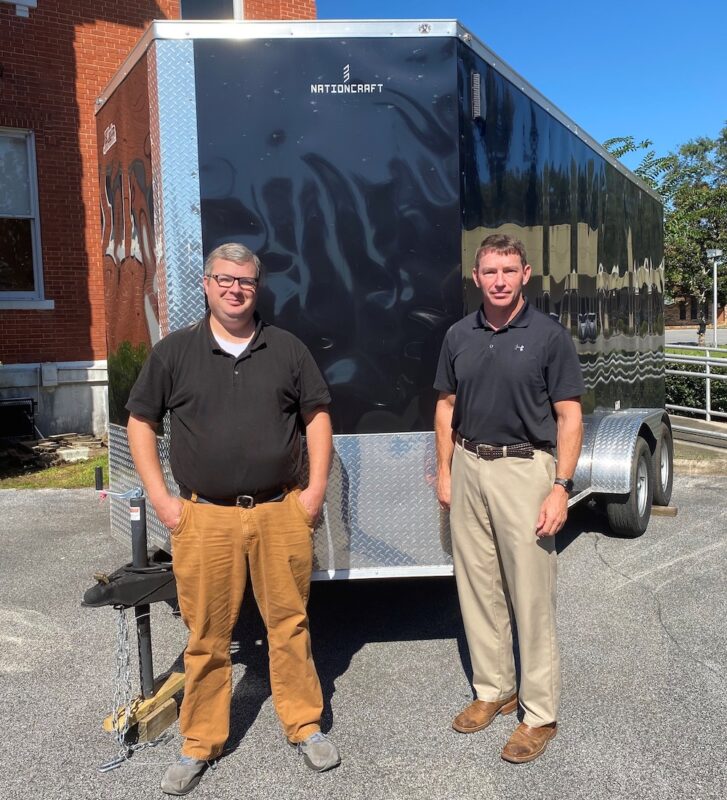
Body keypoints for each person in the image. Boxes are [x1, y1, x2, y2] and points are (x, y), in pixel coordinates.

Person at [126, 243, 340, 795]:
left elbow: (317, 416)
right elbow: (140, 424)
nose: (234, 289)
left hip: (278, 513)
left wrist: (313, 493)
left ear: (257, 286)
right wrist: (164, 503)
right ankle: (200, 742)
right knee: (206, 635)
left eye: (244, 281)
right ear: (205, 283)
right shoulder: (175, 353)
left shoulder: (286, 349)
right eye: (224, 279)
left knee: (289, 624)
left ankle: (304, 723)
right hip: (204, 519)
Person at [434, 233, 584, 764]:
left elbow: (569, 416)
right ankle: (493, 690)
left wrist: (560, 488)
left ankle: (539, 714)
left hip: (527, 470)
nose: (499, 280)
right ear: (476, 278)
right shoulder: (459, 335)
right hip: (470, 465)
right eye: (490, 271)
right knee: (477, 587)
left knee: (531, 596)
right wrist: (446, 470)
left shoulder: (548, 336)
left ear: (525, 275)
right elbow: (447, 405)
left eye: (509, 270)